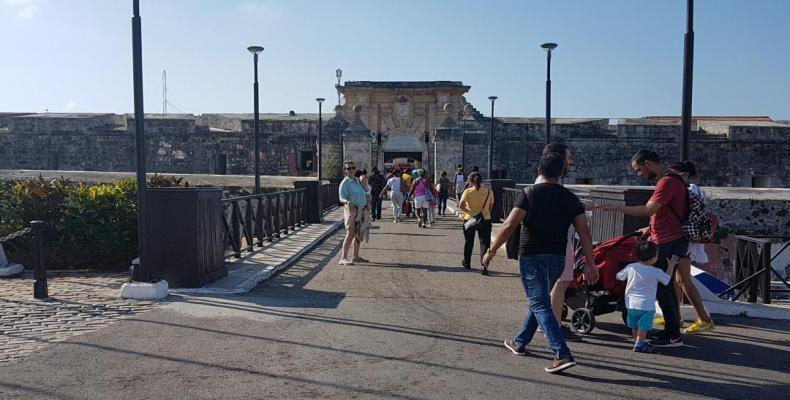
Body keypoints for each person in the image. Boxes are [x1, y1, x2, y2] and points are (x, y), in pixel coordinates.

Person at [482, 152, 598, 373]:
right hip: (558, 256)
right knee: (540, 300)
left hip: (532, 255)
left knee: (539, 302)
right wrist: (591, 263)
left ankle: (561, 353)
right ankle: (520, 342)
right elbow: (585, 233)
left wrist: (492, 251)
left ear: (539, 171)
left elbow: (509, 225)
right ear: (562, 173)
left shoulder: (529, 194)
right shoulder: (571, 198)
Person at [603, 149, 688, 347]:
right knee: (663, 287)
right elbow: (663, 212)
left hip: (669, 241)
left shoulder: (667, 182)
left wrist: (617, 208)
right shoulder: (672, 180)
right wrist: (650, 228)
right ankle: (671, 330)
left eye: (639, 169)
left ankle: (673, 334)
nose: (639, 174)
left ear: (649, 164)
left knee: (663, 289)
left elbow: (648, 209)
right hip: (668, 238)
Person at [667, 161, 715, 334]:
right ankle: (676, 316)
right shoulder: (697, 190)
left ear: (684, 175)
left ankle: (703, 319)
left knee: (682, 280)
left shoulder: (686, 191)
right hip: (691, 238)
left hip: (684, 239)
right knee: (678, 279)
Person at [617, 241, 680, 353]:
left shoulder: (631, 267)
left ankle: (637, 341)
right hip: (646, 305)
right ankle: (639, 345)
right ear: (652, 259)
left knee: (634, 325)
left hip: (630, 304)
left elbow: (619, 277)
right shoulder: (655, 271)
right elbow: (667, 280)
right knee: (643, 326)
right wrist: (671, 265)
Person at [459, 172, 494, 274]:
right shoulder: (489, 191)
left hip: (470, 219)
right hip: (485, 219)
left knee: (468, 242)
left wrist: (467, 210)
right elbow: (491, 205)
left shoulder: (468, 191)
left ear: (470, 181)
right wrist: (486, 213)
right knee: (484, 243)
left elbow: (461, 204)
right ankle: (484, 265)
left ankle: (467, 262)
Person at [338, 161, 368, 265]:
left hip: (362, 210)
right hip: (352, 210)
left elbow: (365, 191)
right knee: (350, 233)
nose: (351, 170)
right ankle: (343, 258)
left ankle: (355, 256)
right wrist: (347, 201)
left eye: (353, 168)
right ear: (345, 171)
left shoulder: (357, 180)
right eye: (349, 168)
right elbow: (341, 198)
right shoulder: (345, 183)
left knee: (359, 233)